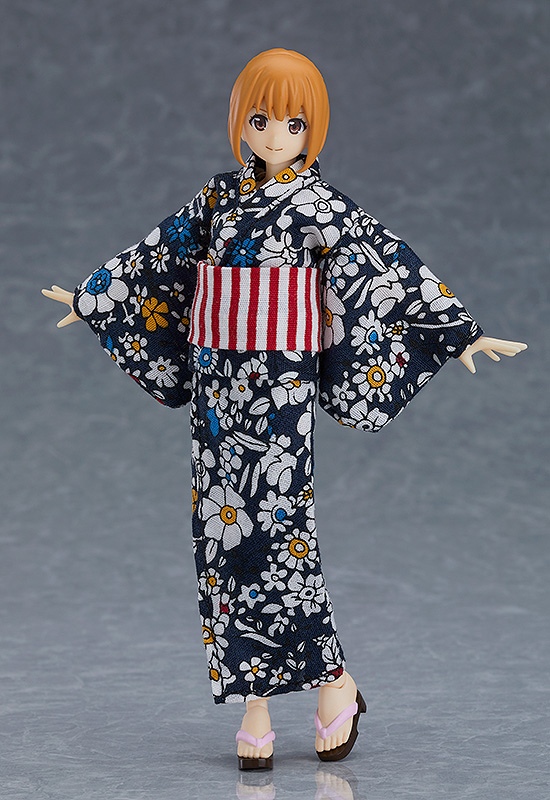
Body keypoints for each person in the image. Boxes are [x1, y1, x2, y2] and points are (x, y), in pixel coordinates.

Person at [42, 48, 527, 769]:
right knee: (221, 536)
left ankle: (333, 682)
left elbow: (385, 268)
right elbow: (158, 257)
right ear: (241, 119)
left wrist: (455, 331)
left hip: (280, 390)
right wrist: (98, 297)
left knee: (281, 530)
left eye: (294, 124)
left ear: (314, 130)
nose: (275, 136)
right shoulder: (216, 200)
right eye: (262, 119)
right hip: (216, 386)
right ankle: (257, 704)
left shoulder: (322, 208)